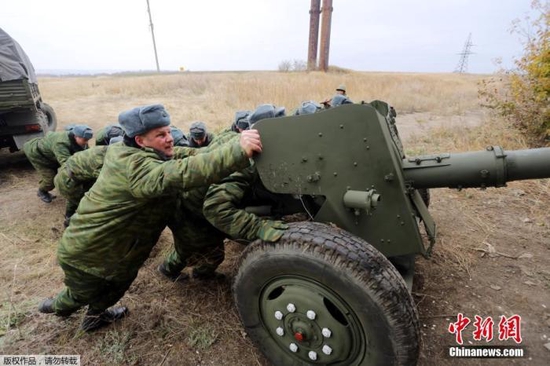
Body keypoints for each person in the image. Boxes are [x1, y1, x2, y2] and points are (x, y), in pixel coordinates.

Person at [37, 104, 262, 332]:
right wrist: (238, 152)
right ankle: (57, 308)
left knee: (117, 287)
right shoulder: (137, 169)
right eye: (160, 135)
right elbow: (185, 172)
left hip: (122, 253)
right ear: (140, 141)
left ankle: (95, 318)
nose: (170, 139)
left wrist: (236, 142)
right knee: (80, 294)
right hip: (89, 254)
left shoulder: (143, 153)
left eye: (168, 132)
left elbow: (193, 154)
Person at [158, 104, 286, 281]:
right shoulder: (245, 162)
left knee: (207, 249)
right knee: (196, 249)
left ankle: (201, 274)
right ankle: (170, 270)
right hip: (190, 210)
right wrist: (258, 227)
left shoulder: (236, 137)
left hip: (199, 200)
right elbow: (215, 208)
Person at [24, 125, 93, 203]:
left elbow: (86, 154)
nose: (86, 142)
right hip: (38, 155)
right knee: (50, 180)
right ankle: (42, 191)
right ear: (76, 136)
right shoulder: (61, 144)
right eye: (85, 140)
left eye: (88, 140)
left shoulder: (80, 141)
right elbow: (66, 164)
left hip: (51, 155)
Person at [54, 145, 108, 228]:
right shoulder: (100, 162)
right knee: (86, 204)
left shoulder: (101, 150)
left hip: (69, 174)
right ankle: (71, 223)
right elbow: (106, 181)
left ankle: (69, 214)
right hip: (68, 182)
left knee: (74, 199)